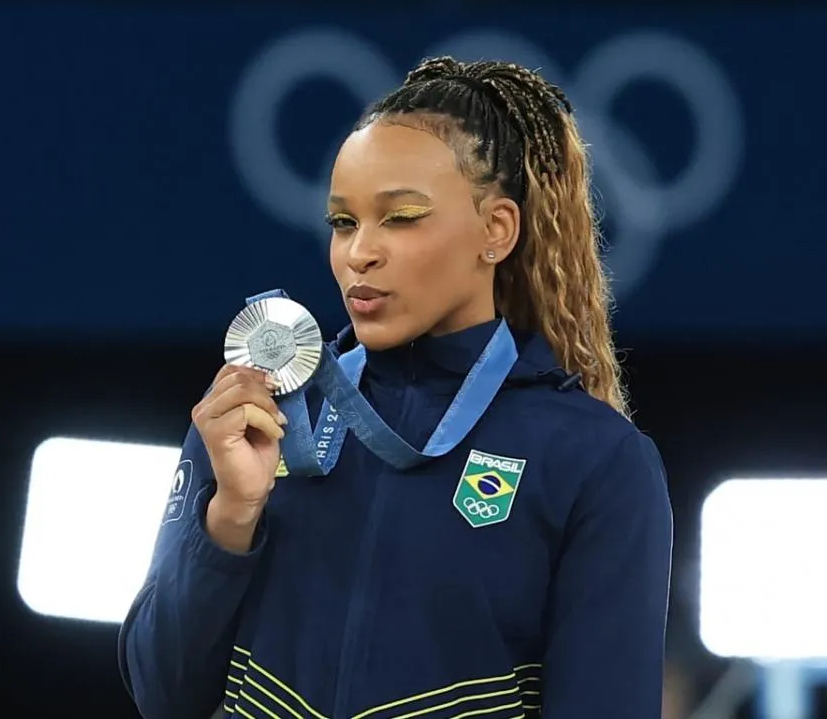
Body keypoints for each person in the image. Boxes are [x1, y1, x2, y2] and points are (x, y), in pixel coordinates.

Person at [118, 56, 674, 719]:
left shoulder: (594, 459)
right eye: (343, 222)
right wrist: (232, 514)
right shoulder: (264, 412)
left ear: (496, 231)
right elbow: (163, 695)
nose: (360, 252)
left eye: (402, 217)